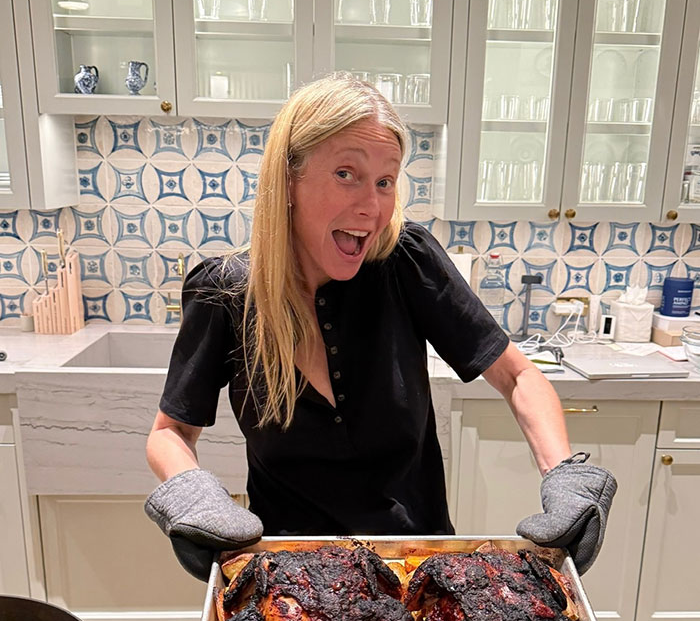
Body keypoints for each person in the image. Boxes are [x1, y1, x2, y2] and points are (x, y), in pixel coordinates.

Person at [144, 74, 616, 581]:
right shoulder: (226, 294)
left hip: (417, 566)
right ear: (288, 180)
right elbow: (170, 433)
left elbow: (517, 375)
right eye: (346, 173)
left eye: (385, 181)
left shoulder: (405, 262)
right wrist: (193, 493)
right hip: (289, 579)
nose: (372, 206)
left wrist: (565, 474)